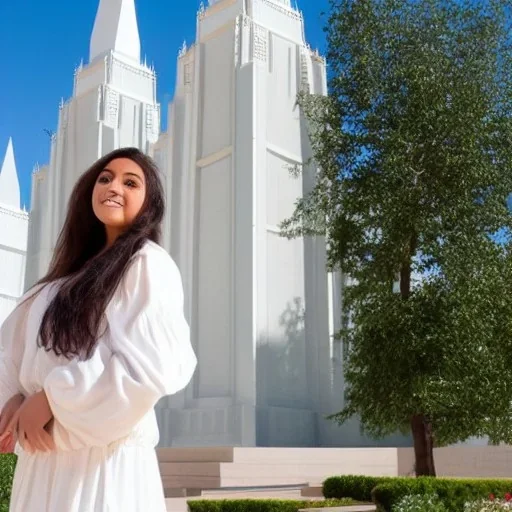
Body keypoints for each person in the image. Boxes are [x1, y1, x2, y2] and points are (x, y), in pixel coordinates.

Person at [0, 147, 197, 512]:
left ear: (149, 202)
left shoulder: (147, 265)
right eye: (105, 178)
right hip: (42, 467)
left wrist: (53, 400)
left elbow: (146, 368)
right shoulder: (53, 286)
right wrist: (12, 400)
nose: (113, 186)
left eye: (130, 182)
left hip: (104, 467)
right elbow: (9, 352)